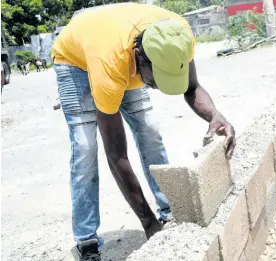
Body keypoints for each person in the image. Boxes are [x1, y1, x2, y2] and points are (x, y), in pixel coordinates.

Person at [51, 3, 236, 261]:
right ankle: (87, 237)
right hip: (76, 62)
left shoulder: (177, 35)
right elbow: (116, 154)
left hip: (118, 47)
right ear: (139, 57)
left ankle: (169, 209)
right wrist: (147, 223)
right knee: (85, 148)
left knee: (150, 131)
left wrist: (215, 115)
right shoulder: (109, 64)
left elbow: (191, 86)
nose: (159, 87)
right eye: (156, 78)